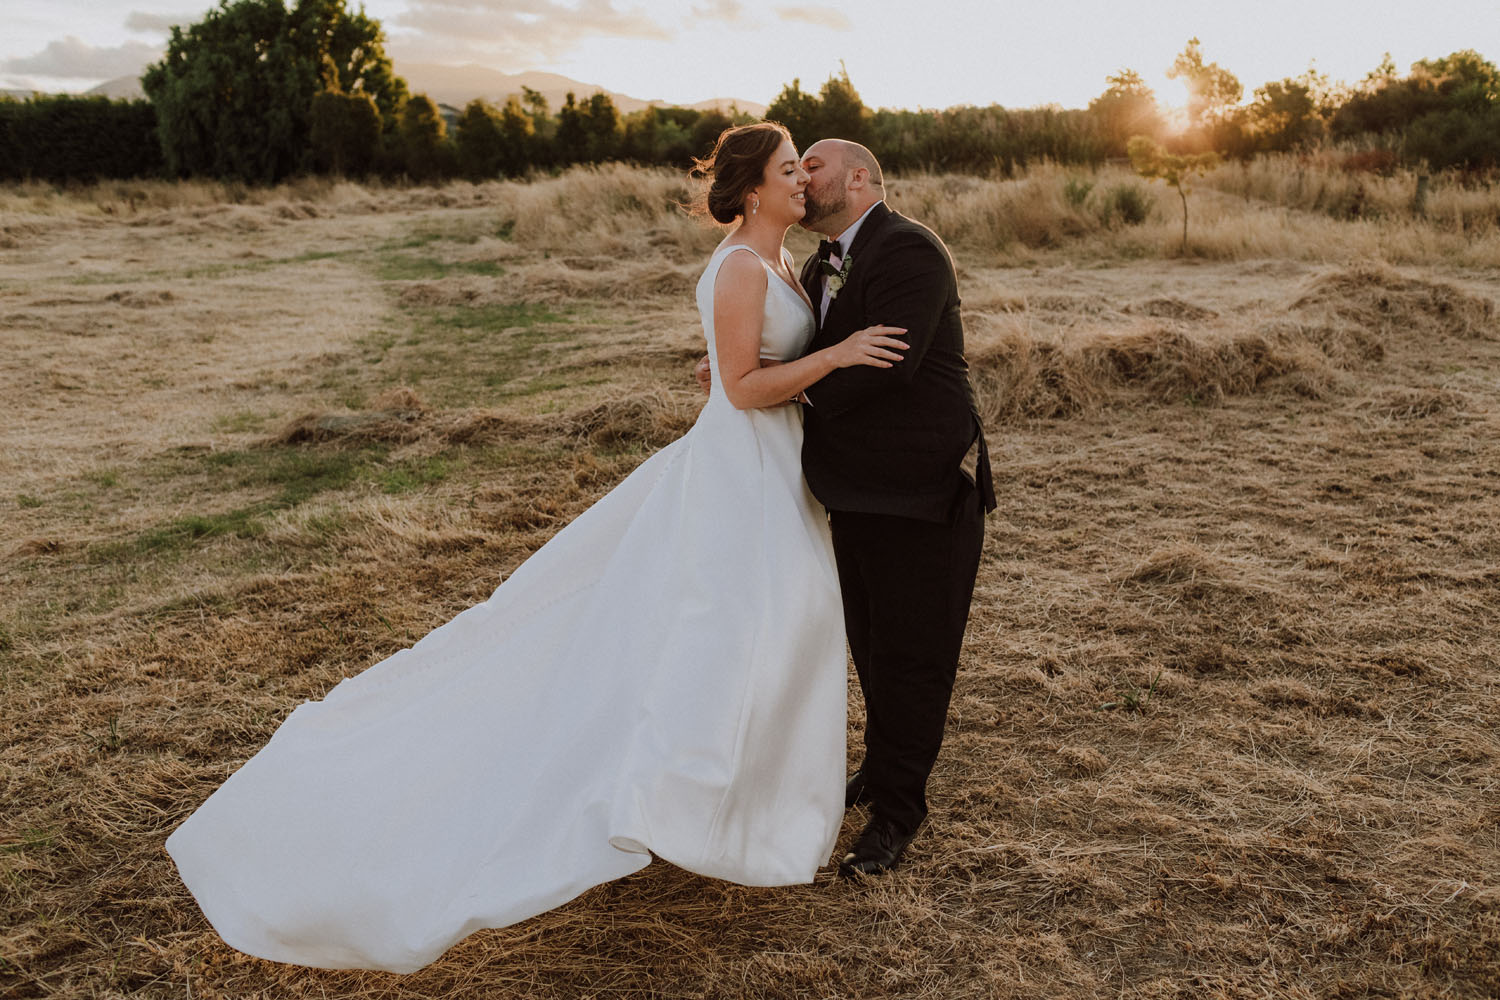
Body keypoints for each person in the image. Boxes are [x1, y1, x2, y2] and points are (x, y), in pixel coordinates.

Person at [164, 122, 909, 973]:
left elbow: (737, 367)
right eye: (788, 171)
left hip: (776, 472)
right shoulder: (741, 265)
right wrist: (839, 353)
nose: (802, 183)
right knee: (732, 627)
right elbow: (741, 390)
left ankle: (743, 808)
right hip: (738, 473)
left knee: (780, 627)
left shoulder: (781, 264)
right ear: (753, 191)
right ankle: (682, 801)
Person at [697, 137, 995, 877]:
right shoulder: (817, 264)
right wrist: (756, 367)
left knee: (914, 658)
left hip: (921, 492)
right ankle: (879, 767)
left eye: (814, 165)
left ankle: (897, 812)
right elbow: (815, 349)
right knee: (869, 645)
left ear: (859, 178)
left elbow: (884, 367)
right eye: (792, 168)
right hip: (850, 493)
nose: (804, 177)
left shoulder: (909, 251)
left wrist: (772, 381)